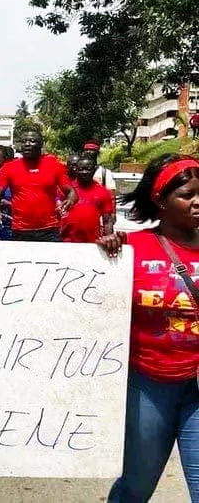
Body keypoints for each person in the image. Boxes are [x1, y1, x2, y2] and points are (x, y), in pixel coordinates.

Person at [97, 154, 199, 502]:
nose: (198, 202)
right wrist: (103, 254)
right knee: (135, 488)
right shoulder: (130, 249)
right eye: (187, 195)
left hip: (197, 389)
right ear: (160, 200)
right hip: (149, 387)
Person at [0, 130, 76, 242]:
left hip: (49, 229)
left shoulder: (55, 166)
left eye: (32, 141)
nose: (27, 144)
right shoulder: (8, 168)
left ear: (41, 144)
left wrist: (70, 200)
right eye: (24, 141)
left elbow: (71, 192)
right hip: (20, 230)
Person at [61, 156, 115, 243]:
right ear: (76, 169)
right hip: (66, 241)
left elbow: (107, 220)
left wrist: (109, 238)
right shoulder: (67, 189)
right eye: (81, 169)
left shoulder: (103, 192)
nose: (84, 172)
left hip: (92, 243)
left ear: (94, 170)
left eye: (88, 169)